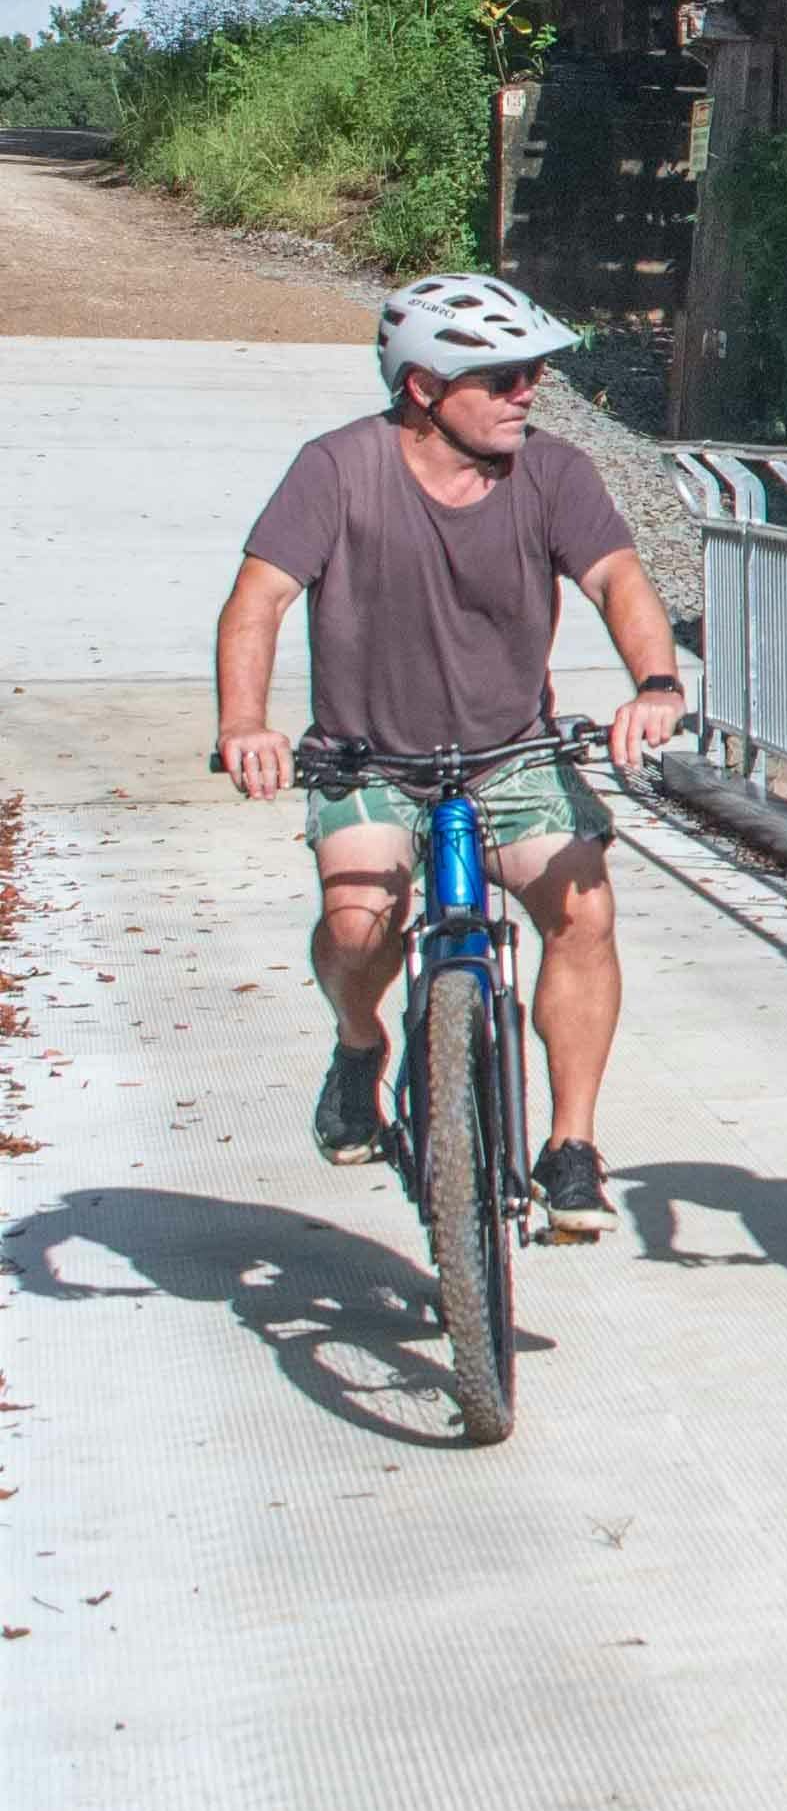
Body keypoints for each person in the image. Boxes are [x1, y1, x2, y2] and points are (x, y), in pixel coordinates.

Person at [213, 276, 689, 1235]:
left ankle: (571, 1146)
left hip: (511, 756)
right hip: (366, 757)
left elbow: (619, 581)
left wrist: (655, 687)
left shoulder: (555, 473)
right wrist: (244, 723)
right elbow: (257, 601)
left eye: (535, 375)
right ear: (425, 389)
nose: (529, 393)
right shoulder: (337, 469)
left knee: (584, 909)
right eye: (504, 377)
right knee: (357, 923)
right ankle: (359, 1047)